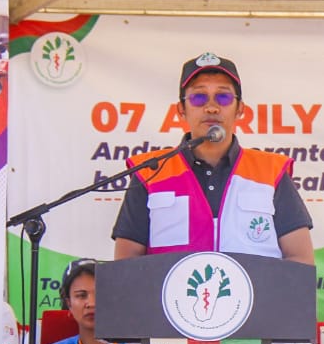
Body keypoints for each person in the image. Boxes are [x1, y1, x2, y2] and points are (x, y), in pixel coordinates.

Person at [113, 53, 313, 263]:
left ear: (240, 109)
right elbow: (125, 263)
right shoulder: (150, 171)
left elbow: (301, 259)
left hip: (258, 286)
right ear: (181, 110)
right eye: (199, 98)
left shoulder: (271, 170)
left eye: (223, 97)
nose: (211, 107)